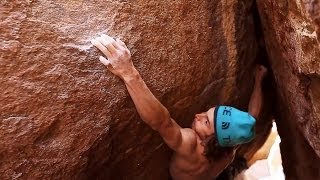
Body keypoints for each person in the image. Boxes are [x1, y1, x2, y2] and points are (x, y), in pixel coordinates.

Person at [91, 34, 267, 180]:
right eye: (206, 113)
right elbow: (252, 117)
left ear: (211, 139)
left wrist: (128, 72)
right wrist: (258, 80)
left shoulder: (191, 144)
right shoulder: (228, 149)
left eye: (206, 122)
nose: (198, 115)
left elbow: (162, 122)